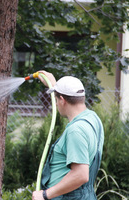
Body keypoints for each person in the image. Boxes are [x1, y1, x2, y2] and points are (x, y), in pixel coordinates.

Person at [32, 71, 104, 200]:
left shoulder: (75, 131)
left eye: (56, 99)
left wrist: (45, 195)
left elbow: (81, 175)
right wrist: (55, 86)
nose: (56, 103)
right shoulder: (93, 118)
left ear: (62, 100)